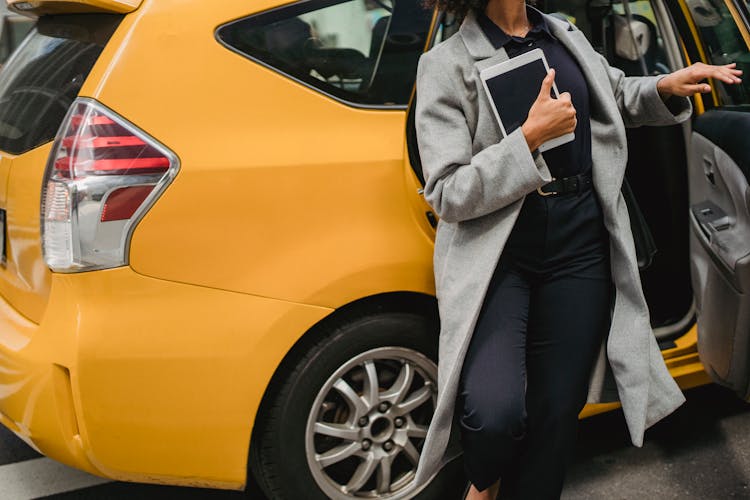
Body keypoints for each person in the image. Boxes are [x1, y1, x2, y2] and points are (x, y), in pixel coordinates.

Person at [411, 0, 743, 498]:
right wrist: (528, 140)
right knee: (494, 412)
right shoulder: (446, 64)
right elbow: (447, 191)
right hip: (501, 255)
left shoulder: (563, 32)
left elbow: (613, 94)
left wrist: (662, 86)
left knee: (555, 416)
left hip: (580, 244)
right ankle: (483, 482)